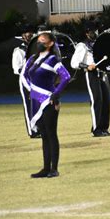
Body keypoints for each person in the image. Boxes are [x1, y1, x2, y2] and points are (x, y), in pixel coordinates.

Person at [20, 32, 71, 178]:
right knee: (43, 136)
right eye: (38, 41)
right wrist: (32, 90)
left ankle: (54, 169)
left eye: (43, 41)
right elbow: (24, 75)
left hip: (49, 101)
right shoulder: (32, 59)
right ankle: (45, 168)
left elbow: (66, 76)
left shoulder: (53, 59)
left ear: (50, 44)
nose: (39, 43)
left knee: (51, 134)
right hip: (36, 101)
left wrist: (56, 94)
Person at [71, 22, 110, 137]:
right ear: (87, 33)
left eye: (96, 30)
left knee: (106, 100)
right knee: (97, 100)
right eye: (92, 31)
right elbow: (74, 63)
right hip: (92, 74)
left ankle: (104, 128)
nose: (95, 33)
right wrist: (87, 66)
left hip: (102, 73)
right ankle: (96, 129)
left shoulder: (99, 44)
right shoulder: (82, 45)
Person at [12, 24, 41, 138]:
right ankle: (32, 131)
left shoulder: (37, 49)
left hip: (38, 80)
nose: (29, 35)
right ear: (23, 36)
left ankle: (39, 128)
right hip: (26, 80)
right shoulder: (18, 50)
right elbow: (16, 68)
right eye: (26, 33)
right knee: (29, 105)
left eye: (30, 32)